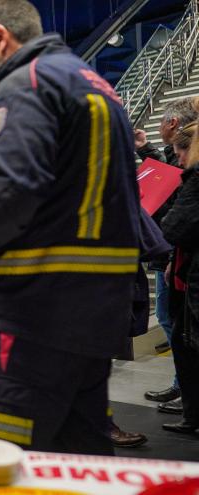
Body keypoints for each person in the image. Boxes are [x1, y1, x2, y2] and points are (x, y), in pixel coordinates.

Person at [0, 0, 140, 454]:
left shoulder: (24, 86)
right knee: (79, 456)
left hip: (32, 310)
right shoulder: (94, 85)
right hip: (95, 308)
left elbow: (3, 201)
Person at [141, 98, 199, 415]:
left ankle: (187, 390)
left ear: (173, 124)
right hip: (174, 261)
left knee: (178, 328)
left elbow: (174, 215)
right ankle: (183, 386)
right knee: (174, 326)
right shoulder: (180, 166)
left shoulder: (192, 175)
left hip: (178, 263)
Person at [159, 103, 199, 435]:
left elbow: (174, 227)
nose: (178, 162)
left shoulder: (194, 179)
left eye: (179, 154)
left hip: (192, 278)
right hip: (185, 273)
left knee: (187, 342)